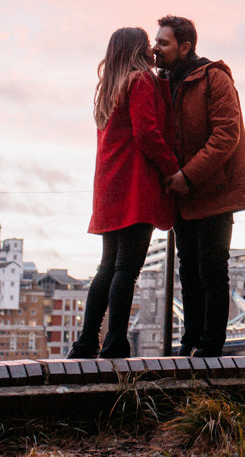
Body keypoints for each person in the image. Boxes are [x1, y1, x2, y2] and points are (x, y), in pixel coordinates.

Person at [68, 27, 179, 359]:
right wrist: (172, 168)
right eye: (145, 42)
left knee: (107, 266)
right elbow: (147, 132)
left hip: (108, 187)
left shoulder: (107, 90)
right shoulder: (139, 81)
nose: (150, 47)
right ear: (135, 49)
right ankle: (115, 340)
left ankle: (86, 341)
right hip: (135, 184)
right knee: (127, 269)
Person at [154, 15, 245, 357]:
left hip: (214, 191)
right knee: (188, 271)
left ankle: (211, 346)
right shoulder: (161, 83)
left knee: (212, 269)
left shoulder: (215, 78)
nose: (156, 48)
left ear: (185, 47)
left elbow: (227, 134)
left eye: (163, 43)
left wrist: (188, 175)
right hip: (183, 195)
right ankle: (189, 342)